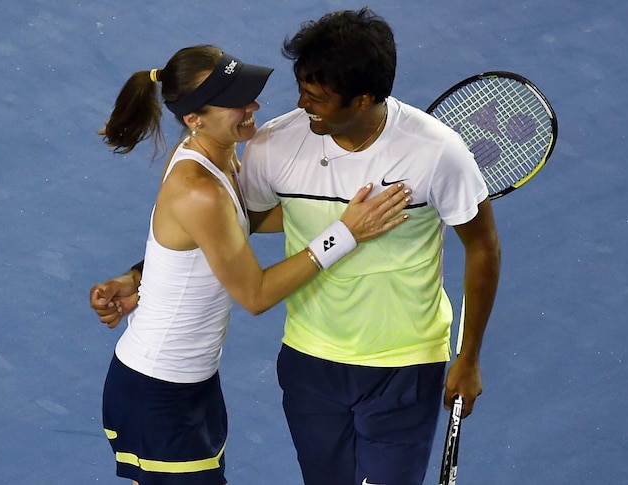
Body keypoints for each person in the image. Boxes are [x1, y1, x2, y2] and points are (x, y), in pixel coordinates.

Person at [94, 8, 501, 484]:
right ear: (194, 119)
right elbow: (252, 288)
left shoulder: (230, 161)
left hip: (382, 366)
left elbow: (221, 236)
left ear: (363, 97)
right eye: (301, 89)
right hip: (186, 382)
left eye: (317, 96)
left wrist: (468, 355)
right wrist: (347, 230)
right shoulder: (237, 165)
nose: (262, 107)